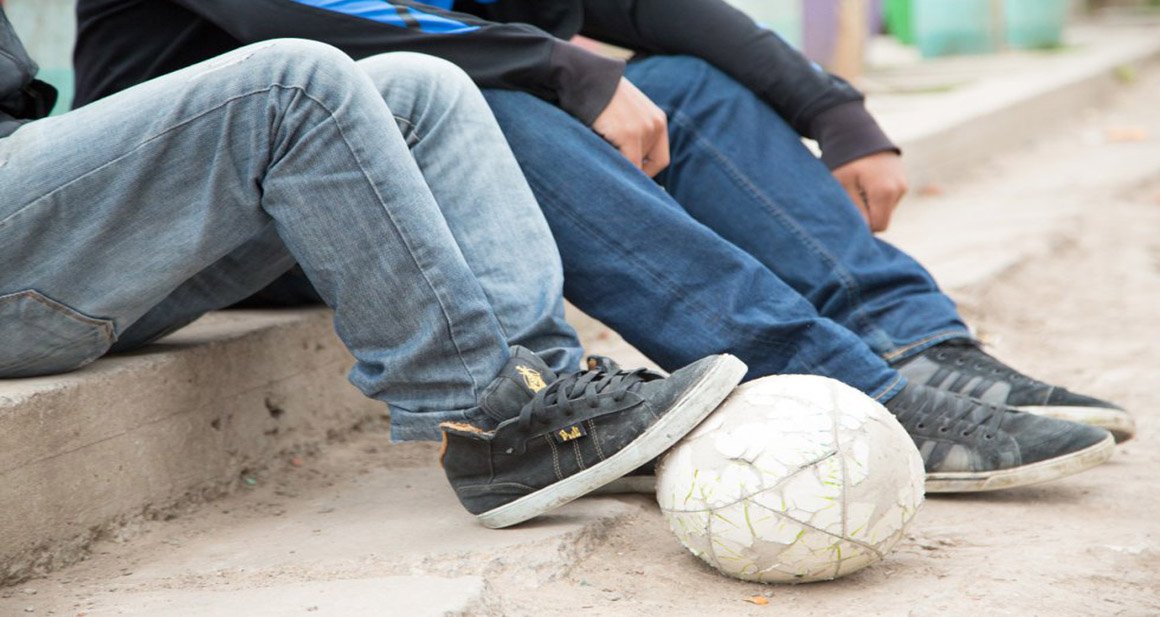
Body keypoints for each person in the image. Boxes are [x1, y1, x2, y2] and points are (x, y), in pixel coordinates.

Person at [70, 0, 1123, 492]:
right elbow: (321, 26)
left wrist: (829, 103)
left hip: (362, 208)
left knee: (683, 89)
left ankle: (908, 342)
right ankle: (832, 383)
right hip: (208, 226)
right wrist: (568, 71)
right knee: (497, 100)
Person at [0, 10, 746, 528]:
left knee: (422, 86)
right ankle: (486, 421)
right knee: (294, 82)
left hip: (64, 255)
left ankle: (546, 399)